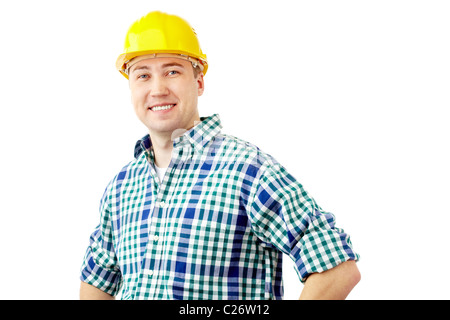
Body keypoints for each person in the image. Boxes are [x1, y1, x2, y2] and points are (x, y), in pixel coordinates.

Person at [79, 11, 360, 300]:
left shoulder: (248, 170)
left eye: (172, 71)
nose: (157, 89)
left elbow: (338, 267)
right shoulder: (122, 186)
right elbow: (96, 282)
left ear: (199, 82)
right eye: (143, 75)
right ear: (131, 87)